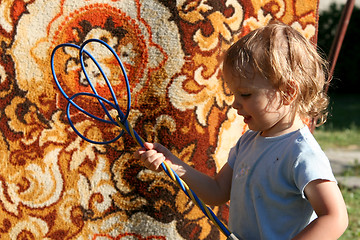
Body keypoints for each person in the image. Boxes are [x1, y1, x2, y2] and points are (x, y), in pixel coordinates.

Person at [133, 21, 348, 239]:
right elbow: (216, 192)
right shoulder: (248, 141)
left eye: (245, 94)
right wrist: (171, 163)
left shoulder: (300, 153)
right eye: (234, 94)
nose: (235, 104)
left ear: (287, 92)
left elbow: (335, 217)